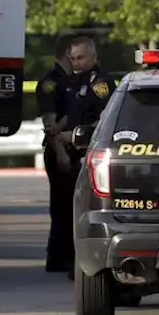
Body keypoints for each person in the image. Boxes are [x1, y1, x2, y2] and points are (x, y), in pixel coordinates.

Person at [55, 36, 116, 278]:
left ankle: (83, 267)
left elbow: (102, 122)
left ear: (93, 56)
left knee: (83, 211)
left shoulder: (101, 84)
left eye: (80, 57)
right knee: (66, 210)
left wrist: (74, 135)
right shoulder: (74, 81)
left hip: (87, 154)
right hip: (72, 152)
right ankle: (70, 262)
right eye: (72, 58)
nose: (76, 62)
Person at [37, 36, 76, 274]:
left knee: (67, 206)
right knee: (62, 207)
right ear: (68, 54)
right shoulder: (51, 82)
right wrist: (61, 153)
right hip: (59, 150)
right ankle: (57, 259)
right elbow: (49, 123)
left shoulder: (73, 81)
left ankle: (63, 257)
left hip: (69, 148)